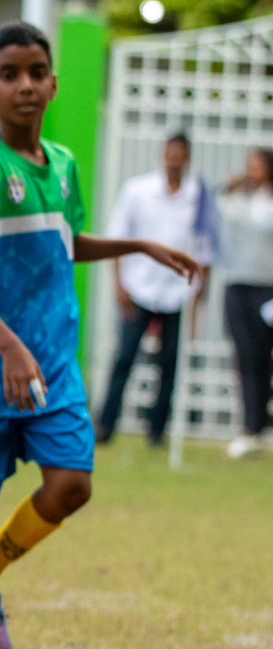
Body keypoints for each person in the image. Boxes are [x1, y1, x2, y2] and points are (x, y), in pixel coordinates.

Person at [0, 21, 199, 649]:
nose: (25, 86)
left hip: (49, 363)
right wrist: (6, 345)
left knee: (71, 485)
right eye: (9, 74)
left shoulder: (61, 164)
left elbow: (64, 241)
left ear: (53, 82)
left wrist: (138, 246)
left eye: (37, 72)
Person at [94, 134, 214, 446]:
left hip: (177, 292)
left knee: (170, 363)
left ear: (187, 158)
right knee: (124, 358)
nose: (174, 160)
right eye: (170, 153)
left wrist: (200, 293)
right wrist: (119, 285)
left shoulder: (197, 196)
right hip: (141, 286)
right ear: (163, 155)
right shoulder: (138, 191)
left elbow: (206, 248)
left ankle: (157, 430)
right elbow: (117, 237)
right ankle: (106, 424)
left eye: (180, 155)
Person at [219, 148, 273, 458]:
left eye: (257, 166)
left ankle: (259, 420)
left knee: (263, 359)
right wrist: (233, 187)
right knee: (246, 358)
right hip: (238, 286)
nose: (251, 170)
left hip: (267, 288)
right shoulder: (238, 198)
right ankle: (250, 427)